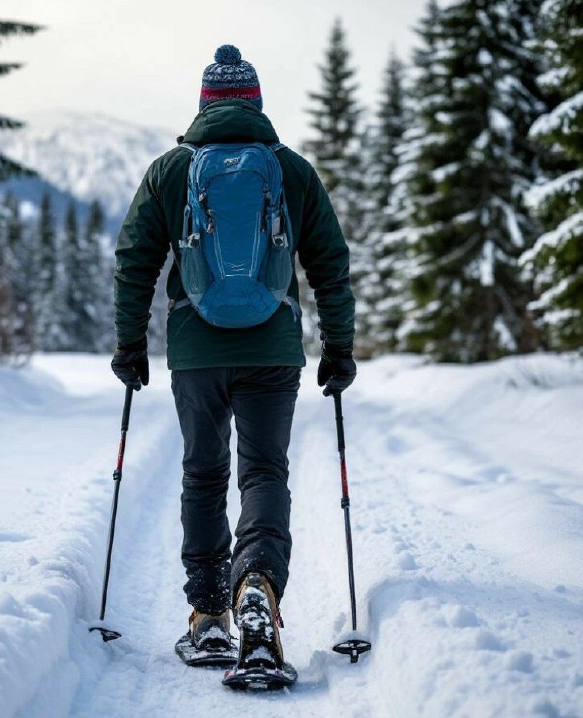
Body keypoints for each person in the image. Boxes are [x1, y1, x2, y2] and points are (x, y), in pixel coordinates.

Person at [111, 44, 356, 685]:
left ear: (203, 105)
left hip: (196, 351)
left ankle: (209, 614)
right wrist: (339, 347)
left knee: (202, 475)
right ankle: (259, 590)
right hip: (274, 349)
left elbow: (135, 259)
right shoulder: (290, 170)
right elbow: (330, 264)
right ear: (256, 104)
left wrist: (129, 343)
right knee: (264, 472)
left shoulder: (172, 169)